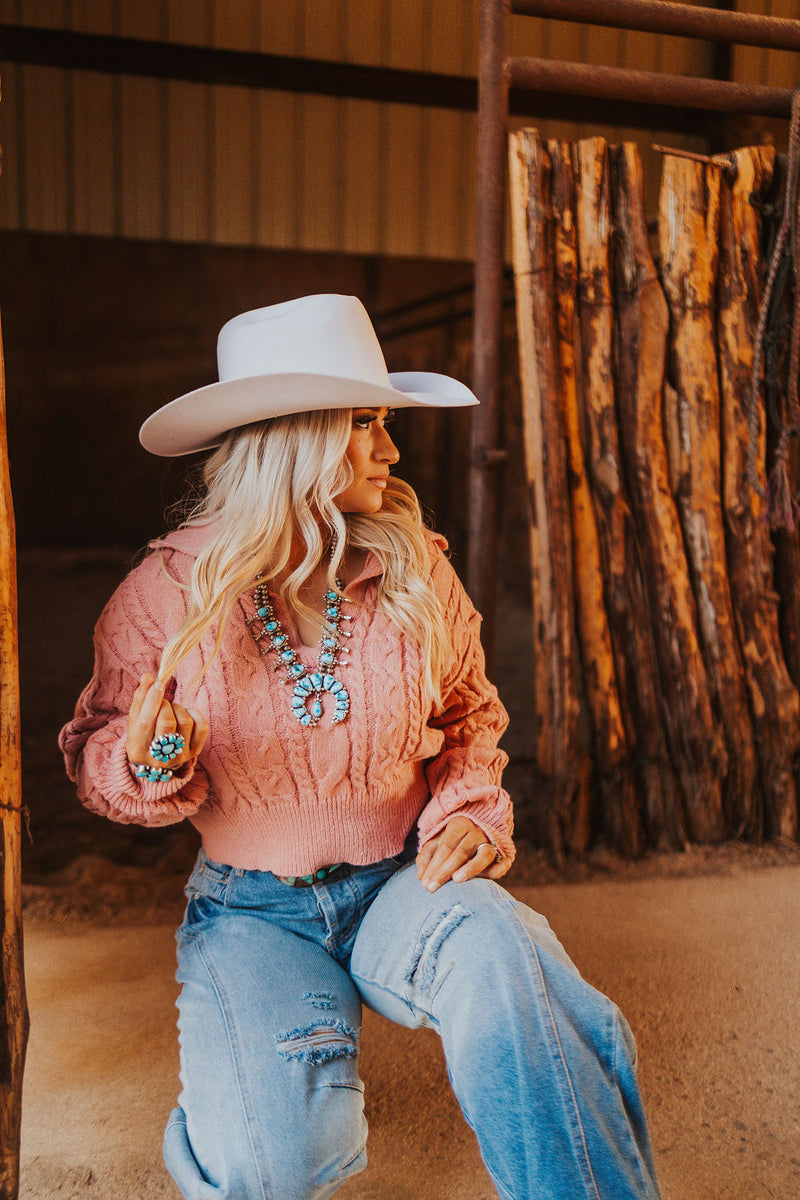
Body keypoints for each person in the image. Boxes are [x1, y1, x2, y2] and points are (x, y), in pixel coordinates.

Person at [60, 294, 661, 1200]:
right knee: (268, 1165)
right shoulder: (163, 591)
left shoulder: (414, 565)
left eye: (385, 422)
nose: (390, 450)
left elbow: (471, 715)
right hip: (253, 911)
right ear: (293, 440)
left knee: (509, 963)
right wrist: (151, 762)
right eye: (364, 423)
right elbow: (93, 753)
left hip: (402, 881)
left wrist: (470, 808)